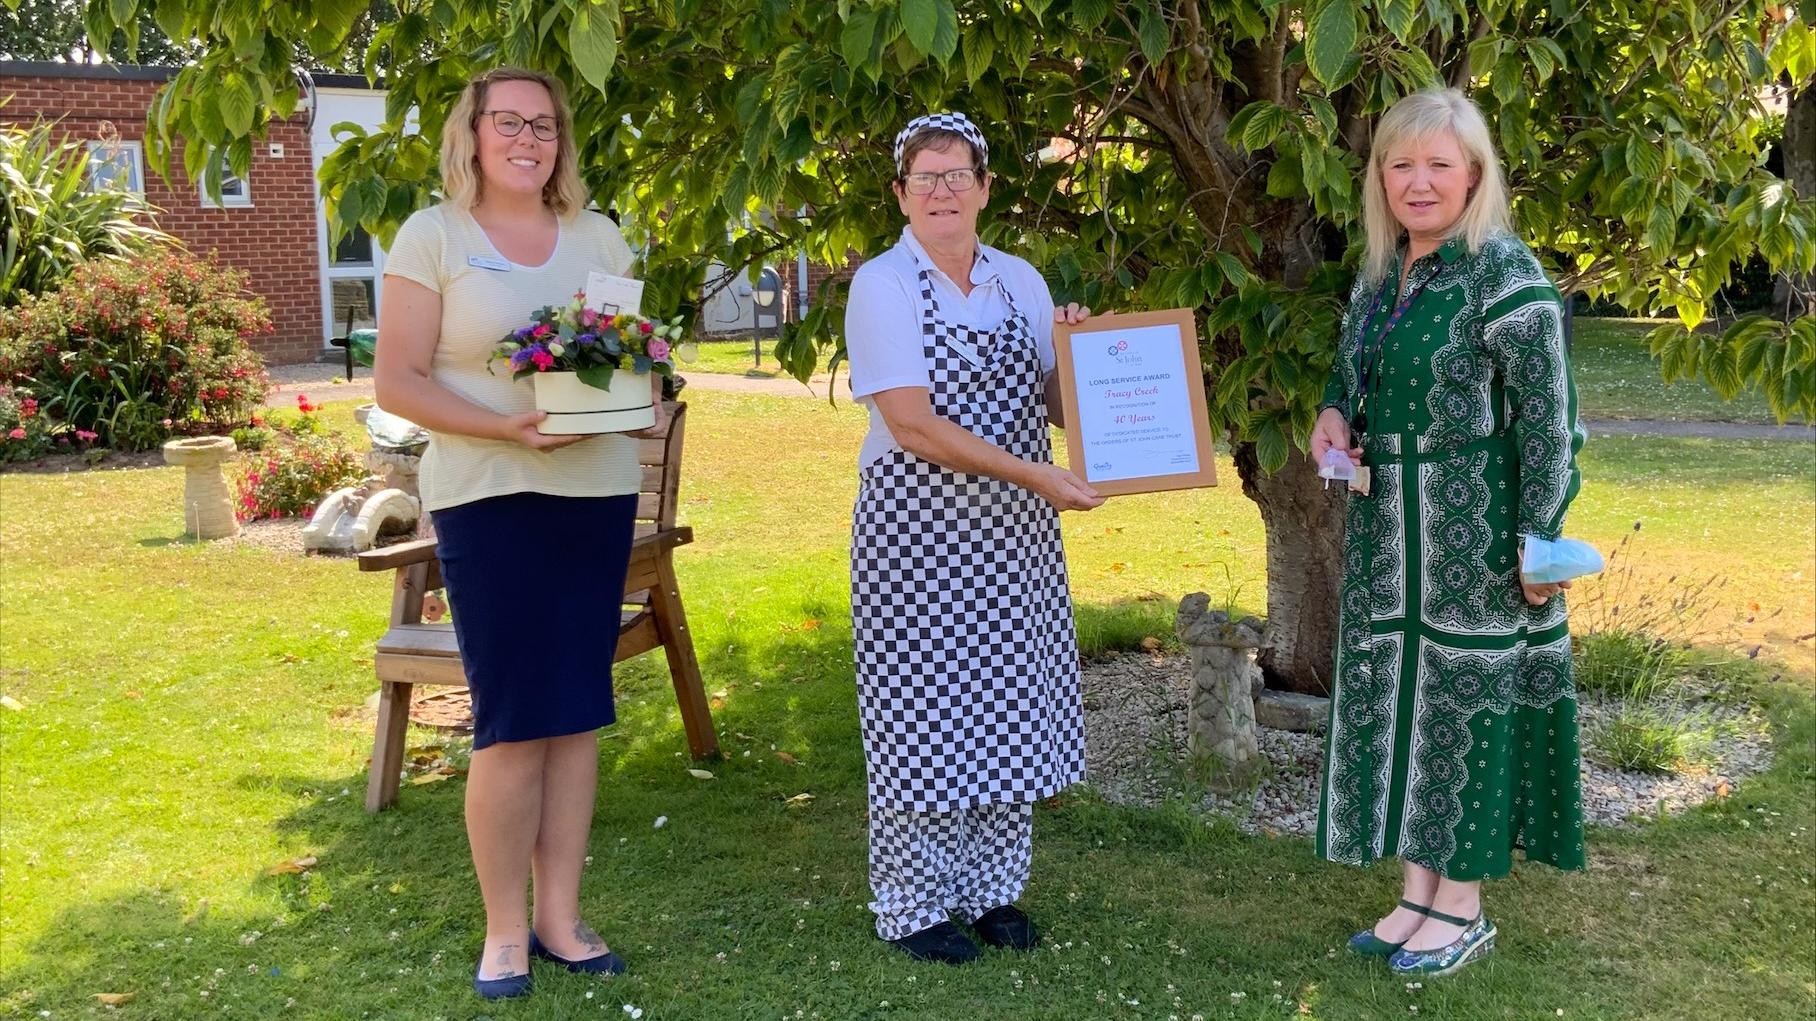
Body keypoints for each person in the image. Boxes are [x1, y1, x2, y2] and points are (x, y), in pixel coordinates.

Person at [374, 66, 667, 1000]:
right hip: (488, 495)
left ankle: (560, 918)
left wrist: (639, 389)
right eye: (508, 122)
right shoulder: (434, 235)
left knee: (575, 709)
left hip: (595, 494)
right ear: (473, 132)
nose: (527, 139)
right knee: (510, 720)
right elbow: (397, 381)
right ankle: (505, 928)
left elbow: (625, 362)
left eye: (543, 125)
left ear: (560, 140)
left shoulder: (597, 235)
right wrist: (507, 428)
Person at [1309, 87, 1587, 978]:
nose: (1418, 182)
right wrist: (1330, 415)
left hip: (1477, 540)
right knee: (1405, 705)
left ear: (1474, 174)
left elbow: (1551, 424)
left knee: (1464, 706)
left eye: (1438, 164)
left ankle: (1461, 907)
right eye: (1401, 164)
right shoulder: (1381, 275)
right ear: (1380, 177)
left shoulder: (1507, 276)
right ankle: (1417, 893)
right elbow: (1351, 378)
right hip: (1390, 538)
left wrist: (1539, 543)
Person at [843, 111, 1103, 965]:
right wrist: (1036, 475)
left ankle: (991, 891)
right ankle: (914, 903)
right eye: (926, 178)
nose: (943, 191)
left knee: (1008, 703)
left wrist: (1078, 352)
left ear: (986, 188)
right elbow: (912, 425)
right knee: (921, 712)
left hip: (1013, 536)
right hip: (918, 532)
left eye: (959, 175)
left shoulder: (1020, 281)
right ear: (901, 194)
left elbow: (1059, 408)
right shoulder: (882, 284)